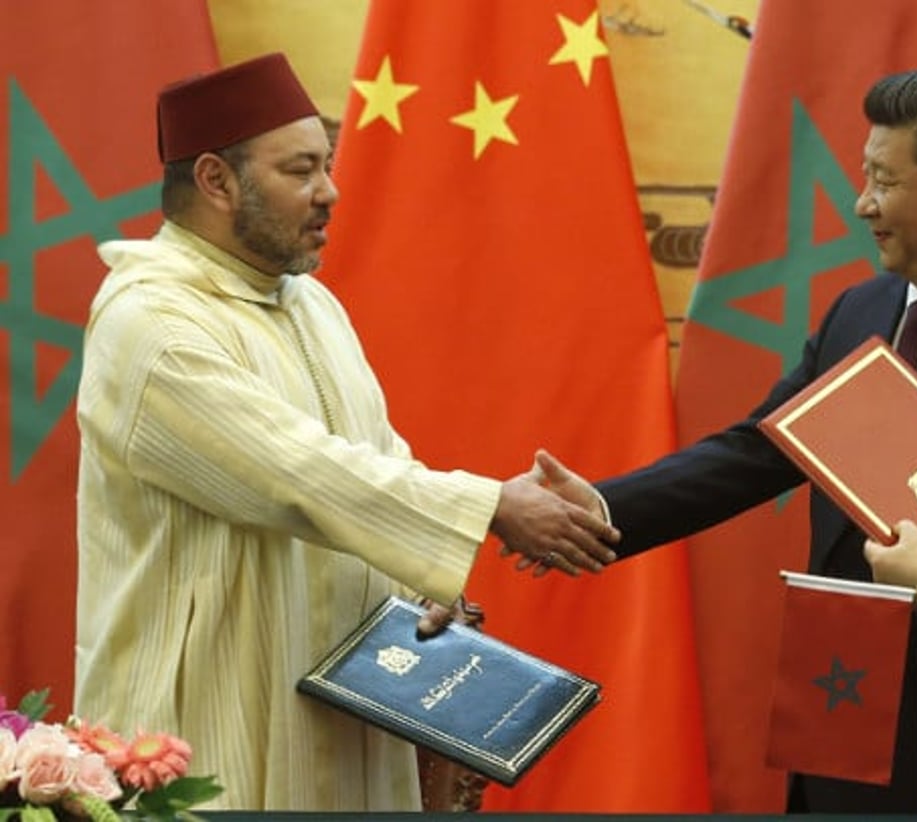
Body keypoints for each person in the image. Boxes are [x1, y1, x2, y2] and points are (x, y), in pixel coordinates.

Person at [520, 66, 917, 813]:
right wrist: (603, 508)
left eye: (882, 180)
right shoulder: (862, 310)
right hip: (848, 691)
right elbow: (758, 451)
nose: (861, 203)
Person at [73, 53, 618, 812]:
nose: (329, 192)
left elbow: (374, 461)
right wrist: (491, 506)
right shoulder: (151, 321)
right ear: (215, 181)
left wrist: (425, 588)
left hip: (347, 708)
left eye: (325, 166)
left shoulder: (309, 305)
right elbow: (298, 474)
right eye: (300, 171)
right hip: (199, 720)